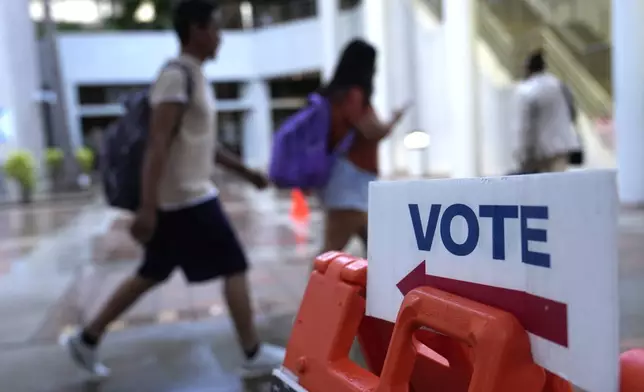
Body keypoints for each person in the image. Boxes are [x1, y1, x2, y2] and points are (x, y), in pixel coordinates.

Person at [65, 0, 284, 376]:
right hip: (185, 198)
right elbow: (157, 143)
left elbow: (201, 143)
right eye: (215, 27)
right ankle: (251, 353)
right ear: (196, 30)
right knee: (234, 264)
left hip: (182, 197)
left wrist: (246, 173)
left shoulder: (195, 75)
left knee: (152, 272)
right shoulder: (175, 76)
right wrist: (147, 207)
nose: (220, 36)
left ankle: (86, 339)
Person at [318, 39, 408, 256]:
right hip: (350, 182)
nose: (376, 70)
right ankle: (314, 290)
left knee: (377, 245)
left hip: (353, 181)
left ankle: (373, 288)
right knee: (331, 250)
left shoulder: (340, 95)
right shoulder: (353, 95)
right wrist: (394, 120)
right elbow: (371, 131)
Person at [515, 50, 580, 173]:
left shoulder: (527, 90)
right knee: (559, 181)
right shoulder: (558, 84)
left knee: (542, 185)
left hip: (541, 150)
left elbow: (526, 126)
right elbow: (572, 112)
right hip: (562, 146)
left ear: (528, 69)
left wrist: (524, 153)